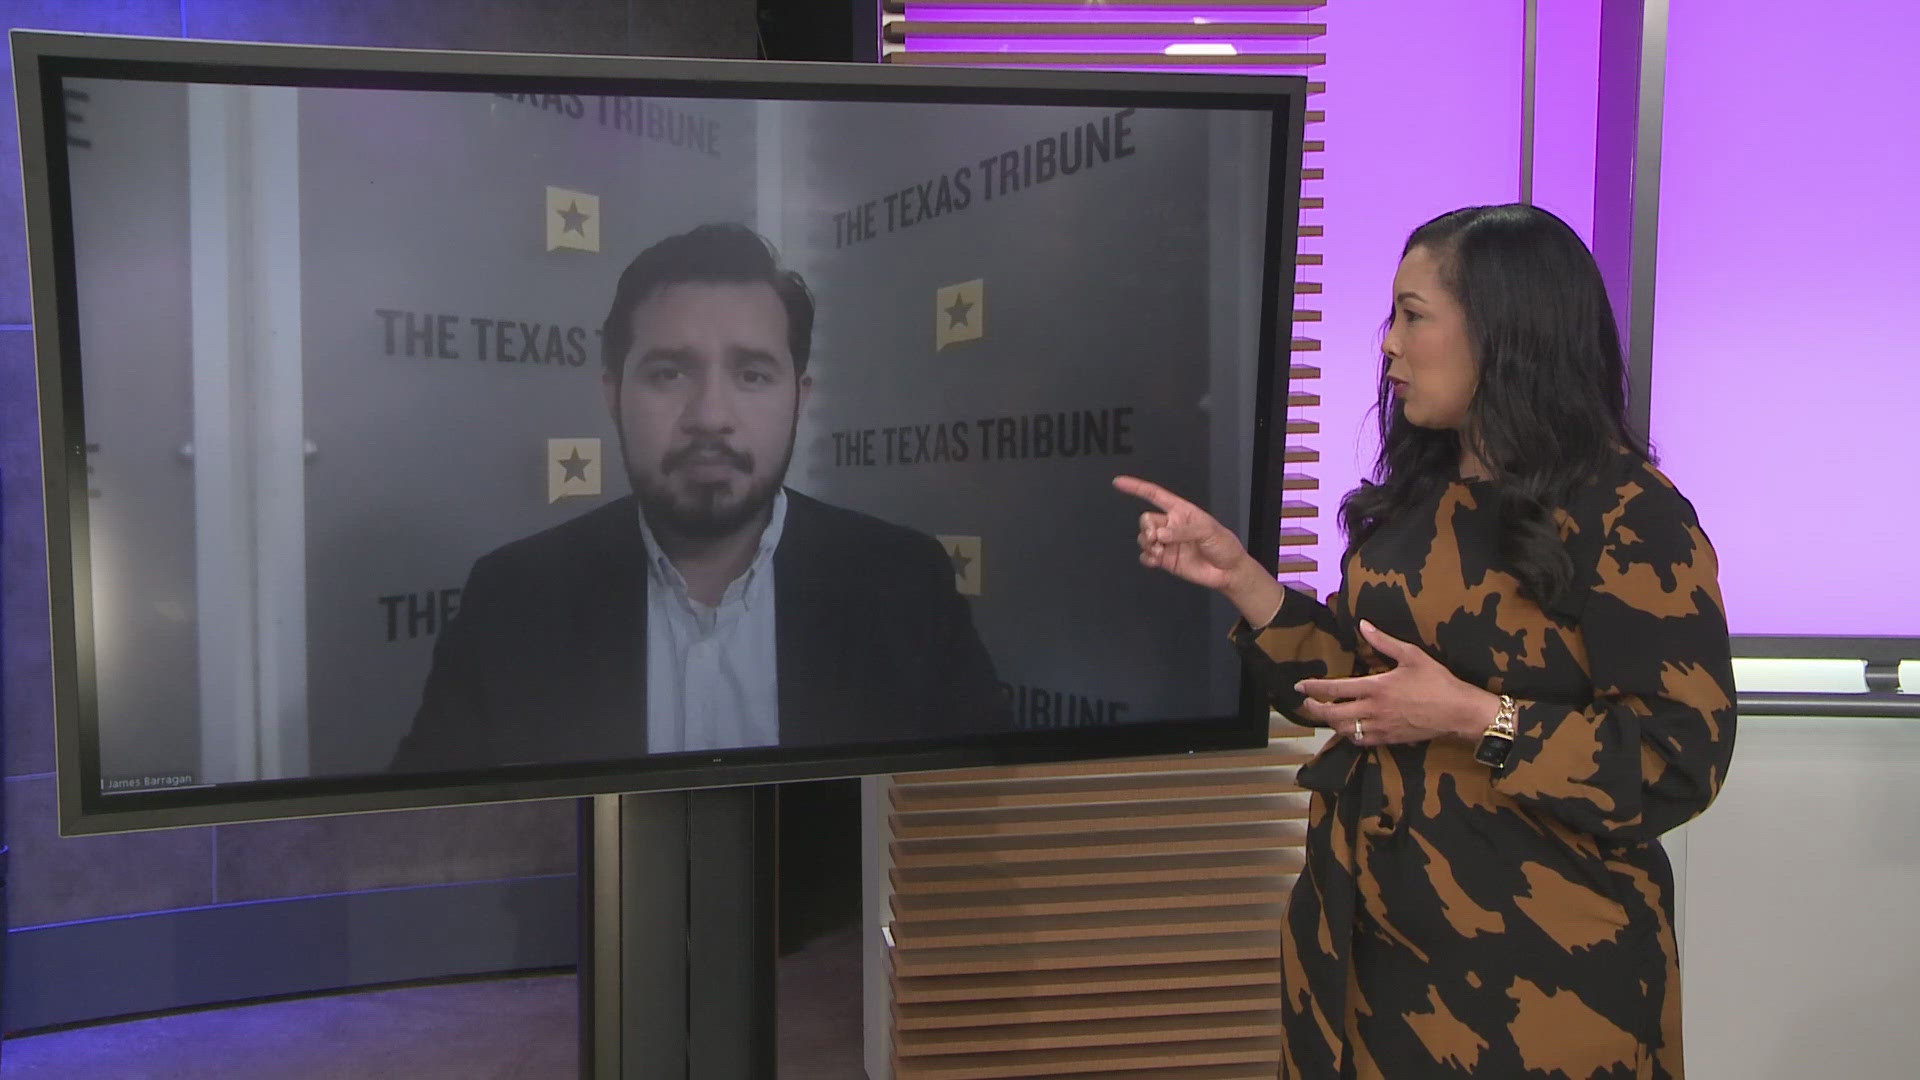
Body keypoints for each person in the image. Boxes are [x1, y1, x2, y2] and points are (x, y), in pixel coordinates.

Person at [1116, 204, 1735, 1079]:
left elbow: (1680, 760)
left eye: (1414, 316)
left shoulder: (1631, 517)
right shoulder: (1416, 497)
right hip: (1368, 958)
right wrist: (1242, 581)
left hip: (1541, 988)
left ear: (1505, 331)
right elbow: (1365, 695)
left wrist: (1478, 715)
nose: (1388, 346)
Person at [390, 223, 1006, 772]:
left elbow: (975, 835)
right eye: (669, 373)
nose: (711, 415)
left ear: (801, 395)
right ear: (612, 393)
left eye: (752, 374)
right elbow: (440, 849)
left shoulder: (906, 585)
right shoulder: (513, 599)